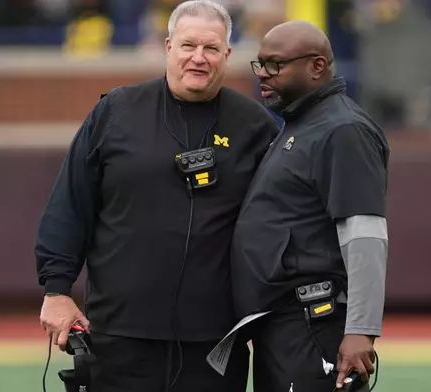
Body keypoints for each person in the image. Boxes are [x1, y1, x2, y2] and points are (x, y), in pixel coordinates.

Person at [34, 1, 279, 391]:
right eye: (188, 46)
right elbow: (70, 205)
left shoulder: (256, 126)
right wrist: (56, 290)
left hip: (214, 340)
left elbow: (279, 226)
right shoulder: (115, 111)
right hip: (119, 333)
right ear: (168, 46)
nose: (198, 58)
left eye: (211, 49)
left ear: (227, 55)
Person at [230, 20, 390, 391]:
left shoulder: (343, 129)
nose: (263, 75)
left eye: (275, 65)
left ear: (317, 66)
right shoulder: (300, 123)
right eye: (260, 64)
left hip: (315, 324)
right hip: (286, 323)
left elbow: (365, 235)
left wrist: (361, 331)